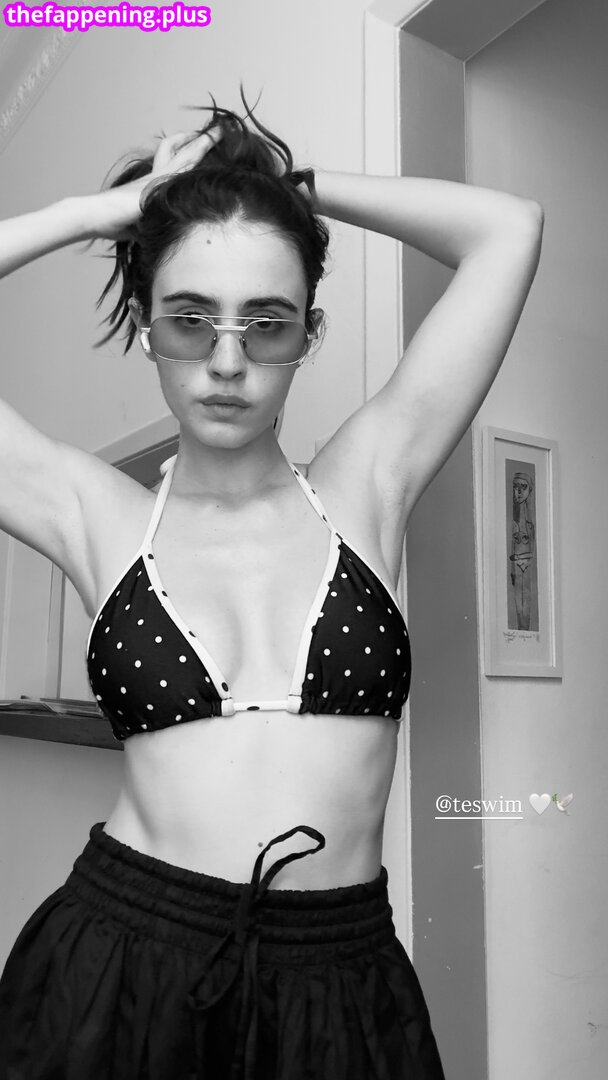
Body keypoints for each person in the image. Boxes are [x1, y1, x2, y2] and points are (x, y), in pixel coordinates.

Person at [0, 95, 544, 1079]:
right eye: (189, 320)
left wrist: (286, 192)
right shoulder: (95, 516)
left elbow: (507, 230)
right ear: (149, 329)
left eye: (266, 323)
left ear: (307, 332)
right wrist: (101, 214)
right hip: (121, 960)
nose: (226, 362)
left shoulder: (366, 488)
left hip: (339, 978)